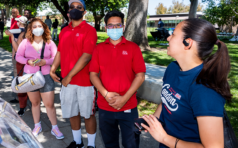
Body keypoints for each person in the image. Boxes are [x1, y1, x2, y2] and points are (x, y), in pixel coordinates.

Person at [141, 18, 232, 148]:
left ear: (187, 43)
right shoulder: (172, 68)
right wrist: (153, 120)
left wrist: (164, 138)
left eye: (173, 34)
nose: (168, 38)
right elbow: (167, 99)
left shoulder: (205, 90)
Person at [90, 10, 146, 148]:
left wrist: (124, 98)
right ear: (105, 28)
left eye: (117, 25)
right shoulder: (99, 49)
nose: (114, 28)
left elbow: (140, 76)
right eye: (110, 26)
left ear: (123, 26)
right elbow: (93, 74)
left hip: (128, 106)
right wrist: (106, 94)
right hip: (105, 106)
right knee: (110, 143)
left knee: (131, 144)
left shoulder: (133, 48)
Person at [50, 0, 98, 148]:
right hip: (67, 83)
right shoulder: (64, 30)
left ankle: (91, 145)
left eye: (79, 6)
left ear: (84, 11)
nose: (75, 9)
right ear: (68, 11)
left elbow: (87, 56)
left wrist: (69, 76)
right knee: (72, 113)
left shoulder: (90, 30)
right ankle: (78, 142)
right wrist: (52, 69)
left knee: (88, 115)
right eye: (72, 6)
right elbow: (60, 51)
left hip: (85, 82)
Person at [16, 18, 64, 139]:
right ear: (30, 29)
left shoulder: (49, 42)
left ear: (44, 27)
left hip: (46, 76)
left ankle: (55, 128)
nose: (37, 29)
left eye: (39, 26)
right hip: (30, 77)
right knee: (35, 103)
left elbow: (56, 57)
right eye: (34, 27)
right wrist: (28, 61)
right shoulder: (25, 42)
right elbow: (18, 57)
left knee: (49, 104)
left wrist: (45, 61)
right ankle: (37, 125)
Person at [5, 16, 28, 116]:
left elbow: (18, 49)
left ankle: (23, 106)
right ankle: (27, 104)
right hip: (29, 61)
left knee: (21, 83)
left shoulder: (22, 33)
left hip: (23, 61)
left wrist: (11, 37)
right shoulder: (25, 32)